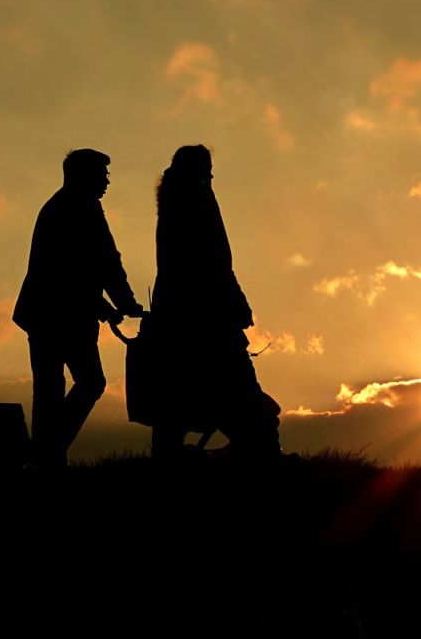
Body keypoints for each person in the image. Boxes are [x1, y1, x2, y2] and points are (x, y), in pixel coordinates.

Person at [150, 144, 282, 462]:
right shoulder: (195, 198)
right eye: (206, 167)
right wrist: (234, 301)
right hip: (207, 311)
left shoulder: (174, 198)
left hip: (182, 309)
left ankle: (169, 453)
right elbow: (214, 261)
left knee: (182, 384)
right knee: (232, 380)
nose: (210, 174)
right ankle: (260, 449)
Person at [14, 148, 144, 468]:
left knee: (48, 391)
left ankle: (46, 456)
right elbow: (99, 265)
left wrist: (109, 306)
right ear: (84, 176)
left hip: (43, 313)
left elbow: (75, 271)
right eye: (102, 174)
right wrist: (123, 304)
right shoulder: (82, 209)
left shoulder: (59, 207)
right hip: (63, 316)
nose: (107, 181)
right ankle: (45, 450)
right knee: (90, 382)